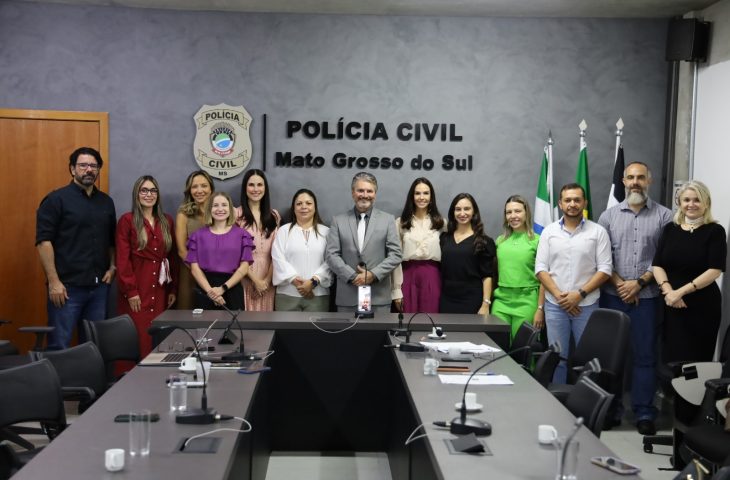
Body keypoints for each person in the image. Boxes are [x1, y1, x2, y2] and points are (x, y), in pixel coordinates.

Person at [598, 162, 672, 435]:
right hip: (613, 296)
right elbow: (602, 258)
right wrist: (621, 285)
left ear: (648, 181)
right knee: (612, 358)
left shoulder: (665, 216)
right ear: (623, 181)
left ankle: (644, 412)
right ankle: (611, 410)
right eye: (630, 177)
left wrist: (638, 284)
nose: (635, 182)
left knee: (645, 357)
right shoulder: (608, 216)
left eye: (640, 177)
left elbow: (665, 256)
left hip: (648, 297)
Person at [36, 147, 117, 350]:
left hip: (99, 289)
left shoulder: (106, 202)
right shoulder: (56, 200)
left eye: (93, 166)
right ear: (72, 169)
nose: (89, 170)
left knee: (93, 347)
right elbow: (44, 242)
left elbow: (111, 240)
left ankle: (89, 375)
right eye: (83, 165)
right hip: (66, 289)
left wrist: (112, 267)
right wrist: (54, 282)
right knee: (59, 345)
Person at [535, 183, 612, 383]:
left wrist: (579, 294)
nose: (572, 204)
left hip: (586, 305)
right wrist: (561, 297)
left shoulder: (598, 232)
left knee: (588, 360)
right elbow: (541, 268)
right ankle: (556, 399)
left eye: (577, 200)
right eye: (567, 200)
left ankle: (586, 400)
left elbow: (605, 269)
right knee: (557, 358)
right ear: (560, 204)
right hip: (555, 306)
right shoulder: (549, 231)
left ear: (584, 203)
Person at [653, 180, 726, 365]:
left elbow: (715, 270)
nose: (691, 204)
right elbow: (657, 265)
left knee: (696, 364)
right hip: (671, 304)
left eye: (697, 200)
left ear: (706, 203)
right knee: (670, 361)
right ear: (679, 203)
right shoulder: (670, 229)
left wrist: (680, 292)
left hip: (702, 307)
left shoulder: (715, 231)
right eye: (686, 200)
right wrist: (669, 292)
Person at [116, 175, 179, 357]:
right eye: (144, 190)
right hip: (138, 287)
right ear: (136, 194)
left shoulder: (166, 221)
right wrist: (131, 291)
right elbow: (123, 259)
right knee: (138, 335)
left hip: (160, 289)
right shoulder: (127, 220)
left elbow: (172, 257)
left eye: (153, 190)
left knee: (158, 336)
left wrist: (173, 289)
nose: (149, 194)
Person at [326, 172, 402, 313]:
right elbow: (331, 255)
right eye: (360, 190)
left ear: (375, 194)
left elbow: (396, 255)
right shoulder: (338, 221)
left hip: (378, 298)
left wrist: (373, 274)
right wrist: (352, 276)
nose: (365, 195)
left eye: (369, 191)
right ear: (353, 193)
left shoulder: (388, 220)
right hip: (348, 297)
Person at [186, 192, 254, 310]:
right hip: (205, 289)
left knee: (234, 322)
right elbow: (195, 269)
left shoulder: (242, 235)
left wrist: (223, 288)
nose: (220, 209)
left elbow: (244, 268)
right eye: (215, 205)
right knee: (204, 323)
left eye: (224, 205)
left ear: (230, 208)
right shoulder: (197, 236)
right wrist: (211, 292)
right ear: (209, 209)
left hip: (232, 289)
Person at [491, 195, 545, 342]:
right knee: (497, 347)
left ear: (526, 213)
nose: (513, 216)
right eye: (509, 212)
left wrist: (540, 308)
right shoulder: (500, 241)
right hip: (501, 301)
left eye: (517, 211)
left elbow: (545, 278)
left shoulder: (538, 240)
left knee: (522, 348)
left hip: (527, 301)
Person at [272, 189, 332, 312]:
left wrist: (313, 282)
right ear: (294, 208)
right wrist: (298, 283)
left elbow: (331, 261)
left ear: (315, 207)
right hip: (287, 295)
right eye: (299, 204)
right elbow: (278, 259)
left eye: (308, 203)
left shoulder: (326, 232)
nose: (304, 207)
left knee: (315, 326)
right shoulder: (283, 231)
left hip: (318, 295)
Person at [391, 178, 444, 313]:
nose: (421, 197)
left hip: (432, 276)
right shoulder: (401, 223)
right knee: (408, 319)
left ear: (431, 197)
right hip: (408, 276)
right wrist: (396, 290)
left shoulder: (441, 223)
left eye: (426, 193)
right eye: (417, 193)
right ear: (412, 196)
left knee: (431, 318)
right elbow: (395, 259)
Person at [439, 193, 496, 314]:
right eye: (458, 209)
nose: (462, 213)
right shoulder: (444, 238)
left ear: (474, 211)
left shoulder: (484, 241)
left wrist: (485, 304)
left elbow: (487, 276)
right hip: (446, 298)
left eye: (467, 209)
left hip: (472, 300)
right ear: (453, 212)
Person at [237, 169, 279, 311]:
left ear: (265, 188)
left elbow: (277, 252)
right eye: (251, 185)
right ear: (245, 188)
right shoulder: (236, 215)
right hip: (245, 276)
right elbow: (235, 254)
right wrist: (256, 281)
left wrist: (266, 281)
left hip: (269, 277)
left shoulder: (274, 215)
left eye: (260, 185)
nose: (256, 189)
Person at [175, 170, 215, 310]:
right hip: (190, 273)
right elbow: (181, 251)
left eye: (204, 186)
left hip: (215, 274)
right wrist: (199, 272)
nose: (199, 191)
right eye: (194, 187)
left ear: (211, 188)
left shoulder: (220, 211)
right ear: (189, 190)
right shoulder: (183, 214)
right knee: (189, 313)